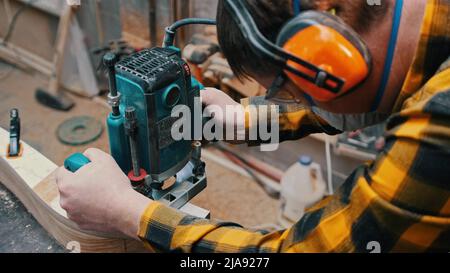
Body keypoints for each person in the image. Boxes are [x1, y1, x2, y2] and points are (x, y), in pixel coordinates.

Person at [56, 0, 450, 252]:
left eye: (290, 91)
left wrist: (127, 212)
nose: (291, 101)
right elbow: (342, 101)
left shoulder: (438, 125)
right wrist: (249, 119)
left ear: (331, 63)